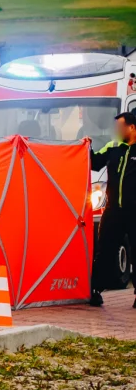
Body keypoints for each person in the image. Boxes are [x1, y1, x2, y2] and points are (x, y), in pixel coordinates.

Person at [89, 111, 136, 307]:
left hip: (134, 211)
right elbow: (94, 162)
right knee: (105, 250)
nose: (117, 131)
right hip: (113, 211)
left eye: (121, 127)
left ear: (131, 128)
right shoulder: (113, 147)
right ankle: (94, 290)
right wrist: (87, 147)